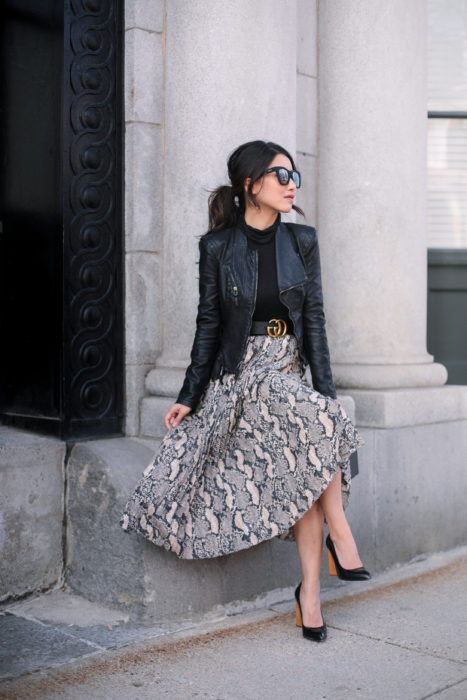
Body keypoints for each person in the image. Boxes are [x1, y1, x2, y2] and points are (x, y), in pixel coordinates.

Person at [121, 139, 370, 643]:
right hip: (244, 375)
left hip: (290, 372)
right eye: (280, 176)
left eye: (294, 175)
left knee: (311, 465)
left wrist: (324, 393)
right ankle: (340, 536)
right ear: (249, 184)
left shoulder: (303, 240)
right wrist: (189, 394)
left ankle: (310, 597)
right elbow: (209, 325)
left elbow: (314, 322)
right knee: (322, 435)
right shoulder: (217, 247)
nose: (291, 184)